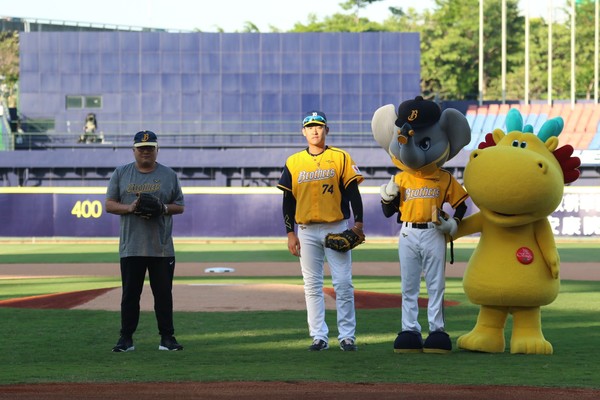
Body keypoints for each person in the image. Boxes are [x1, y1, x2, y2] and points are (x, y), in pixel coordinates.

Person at [277, 111, 365, 352]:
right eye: (310, 127)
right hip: (305, 230)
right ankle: (319, 337)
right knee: (312, 286)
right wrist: (290, 233)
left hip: (335, 227)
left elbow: (353, 193)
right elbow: (288, 200)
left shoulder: (341, 157)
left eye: (319, 126)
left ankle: (347, 336)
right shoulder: (294, 162)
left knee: (344, 283)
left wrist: (358, 224)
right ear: (303, 131)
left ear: (327, 130)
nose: (315, 130)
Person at [106, 130, 185, 352]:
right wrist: (130, 207)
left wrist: (163, 208)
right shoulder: (121, 173)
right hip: (131, 247)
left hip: (161, 247)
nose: (146, 152)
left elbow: (179, 206)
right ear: (134, 151)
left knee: (163, 296)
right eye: (141, 148)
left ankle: (167, 338)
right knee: (130, 295)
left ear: (157, 150)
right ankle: (126, 338)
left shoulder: (169, 175)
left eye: (150, 147)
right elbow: (109, 204)